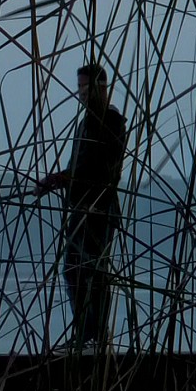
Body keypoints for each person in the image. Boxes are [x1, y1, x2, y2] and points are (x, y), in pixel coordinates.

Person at [37, 62, 127, 349]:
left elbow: (96, 169)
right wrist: (55, 181)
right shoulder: (85, 121)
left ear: (103, 88)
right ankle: (84, 336)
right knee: (74, 271)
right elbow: (76, 168)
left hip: (99, 209)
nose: (83, 95)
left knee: (94, 273)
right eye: (79, 89)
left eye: (87, 89)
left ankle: (96, 337)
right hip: (79, 210)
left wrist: (60, 178)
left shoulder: (110, 121)